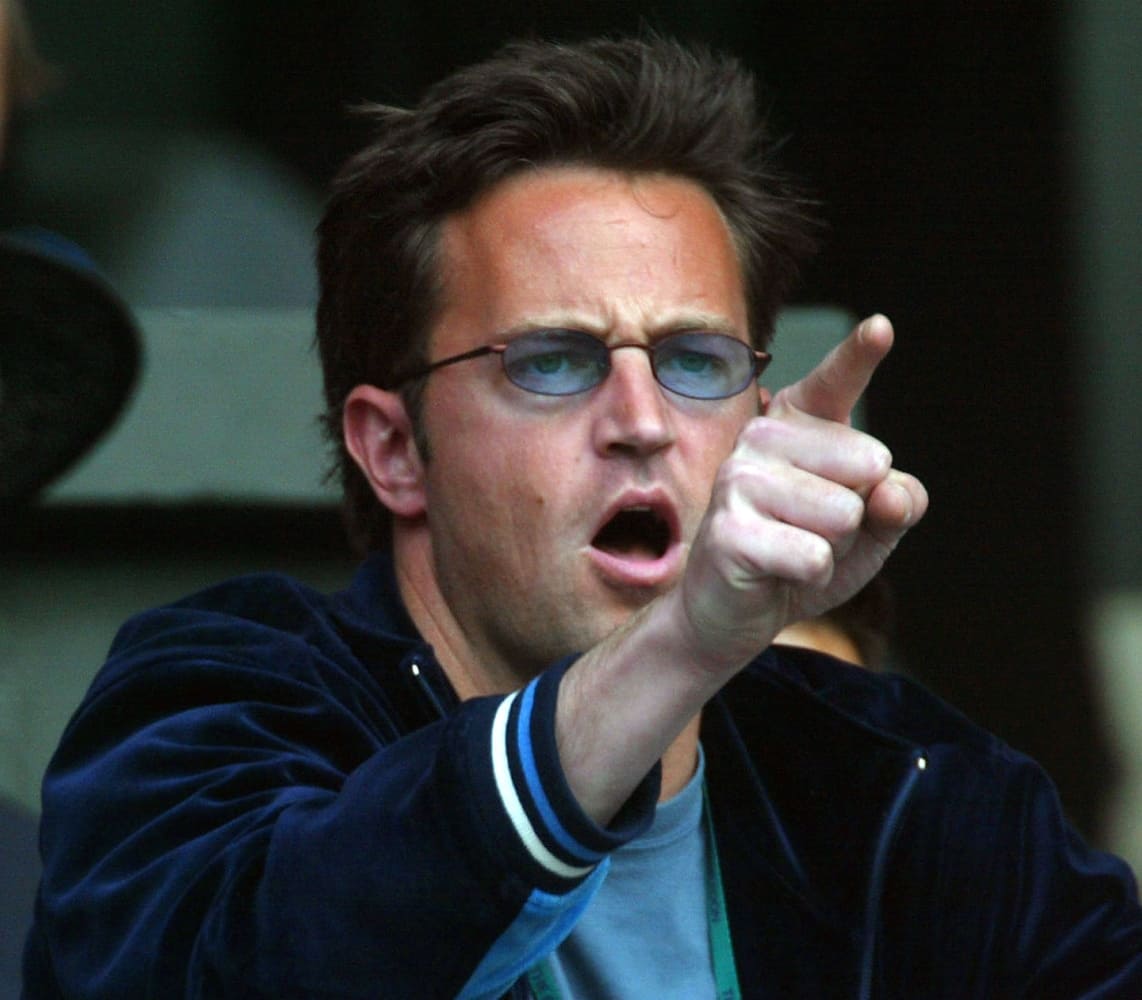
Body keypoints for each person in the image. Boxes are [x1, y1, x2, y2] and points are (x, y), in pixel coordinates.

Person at [22, 35, 1142, 999]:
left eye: (694, 360)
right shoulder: (211, 703)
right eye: (553, 362)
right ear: (394, 449)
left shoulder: (902, 787)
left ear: (755, 420)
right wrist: (685, 645)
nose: (642, 420)